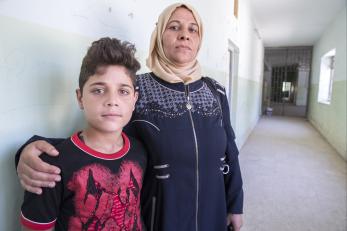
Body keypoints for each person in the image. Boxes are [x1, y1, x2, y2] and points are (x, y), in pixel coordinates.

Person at [16, 3, 243, 231]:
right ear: (159, 34)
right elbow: (104, 140)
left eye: (193, 29)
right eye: (174, 27)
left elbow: (230, 152)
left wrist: (236, 204)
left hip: (212, 210)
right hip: (161, 217)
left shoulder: (216, 91)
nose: (184, 35)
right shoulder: (138, 88)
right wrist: (30, 150)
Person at [20, 37, 147, 230]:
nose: (112, 101)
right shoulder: (48, 167)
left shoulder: (140, 151)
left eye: (123, 91)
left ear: (135, 98)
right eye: (98, 90)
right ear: (80, 98)